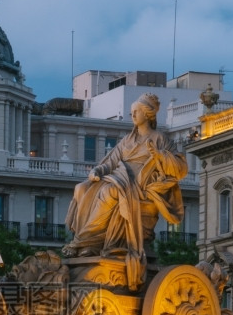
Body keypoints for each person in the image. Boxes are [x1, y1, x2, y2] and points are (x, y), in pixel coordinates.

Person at [63, 92, 187, 291]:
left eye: (136, 111)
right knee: (82, 188)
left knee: (110, 192)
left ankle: (82, 241)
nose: (132, 115)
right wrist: (97, 171)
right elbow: (111, 162)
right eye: (131, 112)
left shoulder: (160, 139)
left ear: (147, 114)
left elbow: (181, 169)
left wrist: (160, 156)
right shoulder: (127, 140)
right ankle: (90, 246)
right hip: (119, 179)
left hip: (139, 188)